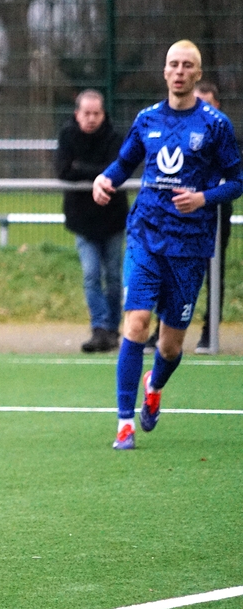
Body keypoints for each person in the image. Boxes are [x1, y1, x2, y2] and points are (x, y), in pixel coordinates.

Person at [93, 40, 242, 450]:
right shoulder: (147, 119)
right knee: (136, 323)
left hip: (190, 247)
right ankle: (125, 423)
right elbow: (124, 163)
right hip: (146, 234)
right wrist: (105, 179)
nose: (179, 71)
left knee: (170, 345)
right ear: (164, 72)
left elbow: (236, 182)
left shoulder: (215, 125)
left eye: (187, 65)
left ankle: (154, 385)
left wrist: (203, 198)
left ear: (198, 73)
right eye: (173, 64)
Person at [55, 89, 127, 353]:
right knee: (91, 274)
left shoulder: (115, 137)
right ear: (77, 114)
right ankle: (99, 328)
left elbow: (116, 170)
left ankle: (112, 329)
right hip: (82, 220)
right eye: (86, 113)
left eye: (96, 113)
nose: (91, 118)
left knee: (114, 277)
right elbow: (63, 170)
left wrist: (82, 168)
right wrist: (98, 173)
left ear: (103, 114)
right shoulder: (67, 135)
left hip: (112, 218)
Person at [192, 82, 236, 354]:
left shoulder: (225, 133)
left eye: (208, 104)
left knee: (214, 270)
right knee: (172, 271)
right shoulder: (180, 131)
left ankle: (210, 332)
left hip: (216, 211)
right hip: (182, 213)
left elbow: (233, 178)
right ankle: (161, 330)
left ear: (217, 106)